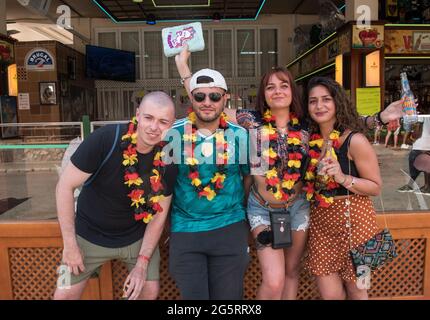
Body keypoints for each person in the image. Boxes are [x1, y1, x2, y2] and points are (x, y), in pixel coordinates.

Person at [54, 91, 178, 300]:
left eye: (163, 121)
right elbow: (64, 187)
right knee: (62, 294)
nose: (154, 127)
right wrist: (70, 245)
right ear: (137, 114)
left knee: (150, 291)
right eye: (148, 118)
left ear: (171, 125)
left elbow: (159, 215)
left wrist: (142, 262)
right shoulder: (105, 138)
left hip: (136, 240)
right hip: (86, 236)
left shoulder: (168, 159)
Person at [170, 56, 251, 300]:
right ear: (191, 98)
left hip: (230, 228)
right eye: (200, 96)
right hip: (185, 230)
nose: (207, 102)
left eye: (214, 96)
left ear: (225, 98)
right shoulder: (174, 133)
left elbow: (248, 180)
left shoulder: (241, 136)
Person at [303, 77, 382, 300]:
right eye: (313, 101)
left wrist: (342, 177)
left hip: (359, 227)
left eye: (326, 99)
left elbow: (375, 187)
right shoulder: (309, 141)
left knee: (359, 291)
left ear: (337, 102)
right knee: (330, 296)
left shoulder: (355, 140)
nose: (319, 106)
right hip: (322, 229)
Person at [397, 116, 430, 195]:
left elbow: (418, 130)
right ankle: (426, 186)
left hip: (420, 142)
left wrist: (411, 139)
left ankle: (419, 186)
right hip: (427, 142)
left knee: (413, 163)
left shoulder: (422, 116)